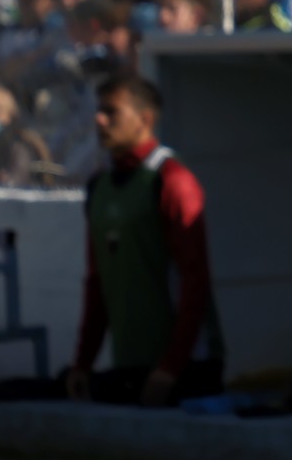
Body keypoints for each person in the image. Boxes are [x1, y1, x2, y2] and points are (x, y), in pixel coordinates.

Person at [66, 75, 226, 406]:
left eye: (112, 112)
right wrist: (83, 362)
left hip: (184, 367)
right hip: (133, 362)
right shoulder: (100, 186)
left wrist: (170, 368)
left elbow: (194, 282)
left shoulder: (171, 180)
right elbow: (98, 283)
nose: (100, 120)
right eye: (99, 110)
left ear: (145, 119)